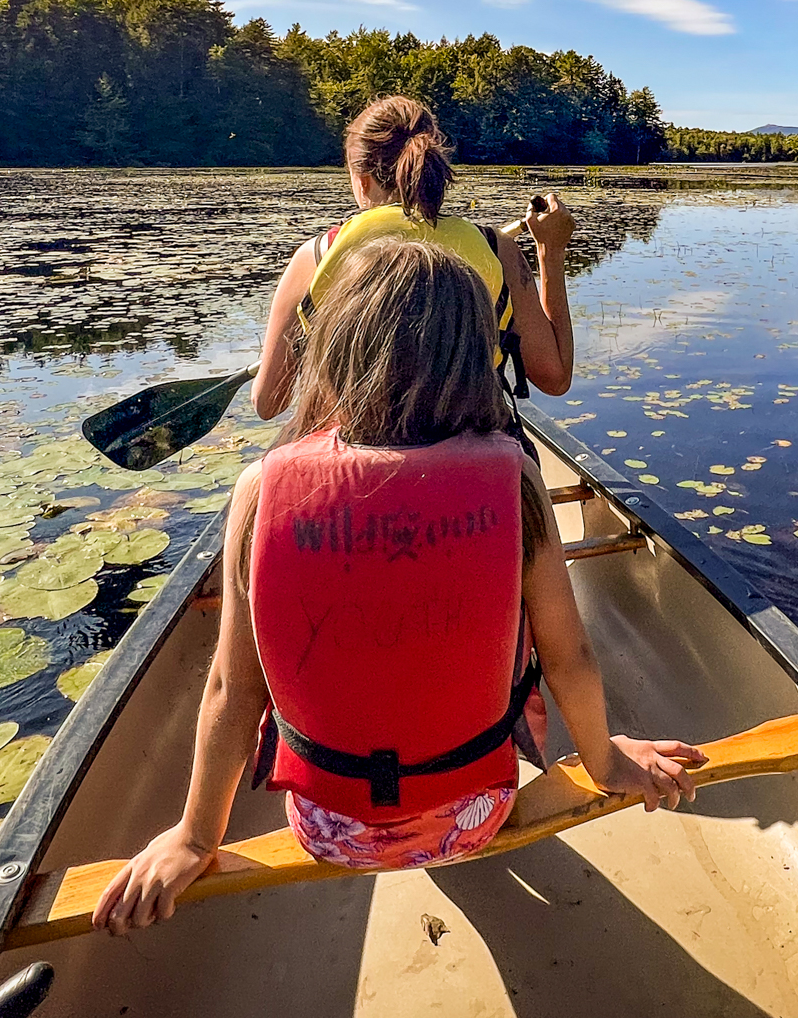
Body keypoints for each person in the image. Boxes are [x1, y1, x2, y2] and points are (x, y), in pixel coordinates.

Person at [94, 238, 705, 935]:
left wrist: (197, 838)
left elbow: (233, 693)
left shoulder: (261, 490)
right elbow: (570, 660)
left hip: (328, 829)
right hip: (477, 811)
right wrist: (605, 759)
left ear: (335, 348)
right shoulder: (515, 476)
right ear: (475, 357)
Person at [251, 94, 576, 422]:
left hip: (359, 452)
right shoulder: (497, 249)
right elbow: (555, 378)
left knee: (253, 476)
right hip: (472, 439)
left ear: (363, 182)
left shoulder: (317, 256)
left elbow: (268, 404)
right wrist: (551, 251)